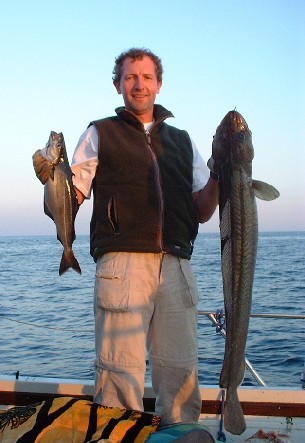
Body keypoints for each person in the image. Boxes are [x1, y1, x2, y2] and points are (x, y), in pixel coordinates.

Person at [34, 48, 219, 429]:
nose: (139, 84)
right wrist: (49, 177)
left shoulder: (183, 141)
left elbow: (202, 208)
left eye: (147, 77)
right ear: (118, 84)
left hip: (177, 267)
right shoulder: (99, 132)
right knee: (120, 374)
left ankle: (180, 436)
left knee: (181, 371)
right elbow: (71, 199)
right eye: (131, 77)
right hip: (122, 265)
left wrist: (220, 171)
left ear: (159, 84)